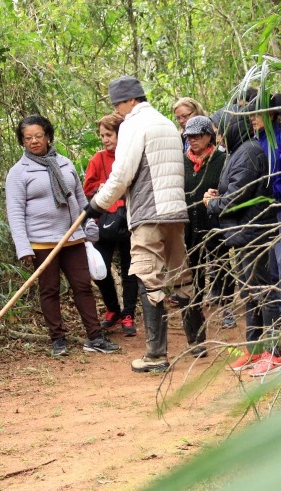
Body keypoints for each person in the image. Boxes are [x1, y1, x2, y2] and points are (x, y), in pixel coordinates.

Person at [85, 76, 193, 373]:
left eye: (117, 105)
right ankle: (198, 343)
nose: (117, 111)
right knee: (181, 275)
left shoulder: (134, 124)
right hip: (175, 211)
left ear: (128, 100)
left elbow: (121, 176)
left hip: (148, 212)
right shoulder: (166, 123)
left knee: (148, 277)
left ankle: (156, 356)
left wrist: (95, 205)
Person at [5, 114, 120, 357]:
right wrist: (23, 248)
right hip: (41, 241)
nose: (34, 141)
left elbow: (79, 199)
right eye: (28, 138)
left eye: (38, 136)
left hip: (72, 237)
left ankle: (95, 337)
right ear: (22, 142)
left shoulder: (65, 163)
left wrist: (88, 225)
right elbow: (15, 212)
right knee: (49, 289)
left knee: (83, 286)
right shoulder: (19, 172)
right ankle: (58, 339)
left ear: (48, 136)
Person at [204, 109, 281, 377]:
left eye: (218, 130)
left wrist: (213, 203)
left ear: (231, 128)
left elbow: (237, 198)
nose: (217, 136)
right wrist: (218, 194)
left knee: (264, 291)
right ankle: (254, 348)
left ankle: (274, 353)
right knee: (250, 292)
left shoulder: (250, 152)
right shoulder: (238, 152)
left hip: (255, 233)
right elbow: (234, 190)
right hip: (242, 233)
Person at [249, 95, 281, 327]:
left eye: (257, 114)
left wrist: (274, 192)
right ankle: (275, 311)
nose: (253, 119)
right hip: (263, 210)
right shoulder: (253, 141)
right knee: (269, 261)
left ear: (271, 114)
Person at [83, 114, 138, 337]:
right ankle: (112, 309)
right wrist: (103, 187)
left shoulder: (131, 156)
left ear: (120, 134)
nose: (105, 139)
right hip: (104, 221)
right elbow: (87, 188)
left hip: (129, 220)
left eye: (109, 134)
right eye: (102, 135)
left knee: (130, 270)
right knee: (100, 269)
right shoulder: (98, 159)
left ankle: (128, 314)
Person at [178, 115, 227, 357]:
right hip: (188, 229)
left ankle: (227, 312)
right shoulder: (182, 163)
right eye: (190, 136)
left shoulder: (221, 159)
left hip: (215, 227)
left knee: (222, 268)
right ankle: (196, 338)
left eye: (198, 135)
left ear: (209, 136)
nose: (193, 140)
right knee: (192, 280)